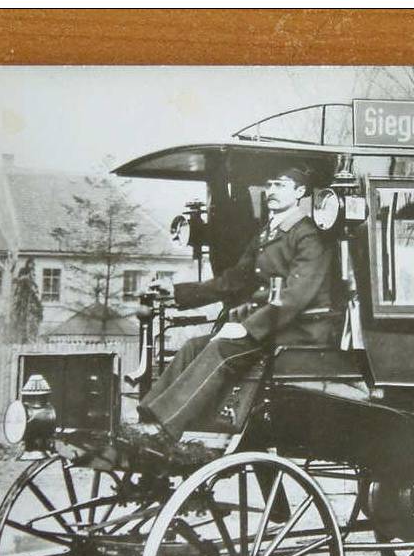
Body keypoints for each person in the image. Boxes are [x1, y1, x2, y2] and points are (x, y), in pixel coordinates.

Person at [135, 166, 340, 441]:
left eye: (280, 185)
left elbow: (295, 297)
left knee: (222, 349)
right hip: (272, 326)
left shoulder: (308, 235)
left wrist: (247, 328)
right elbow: (234, 279)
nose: (272, 191)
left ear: (300, 192)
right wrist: (176, 292)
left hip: (301, 330)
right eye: (271, 185)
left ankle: (165, 428)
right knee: (193, 346)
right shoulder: (269, 233)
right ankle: (146, 417)